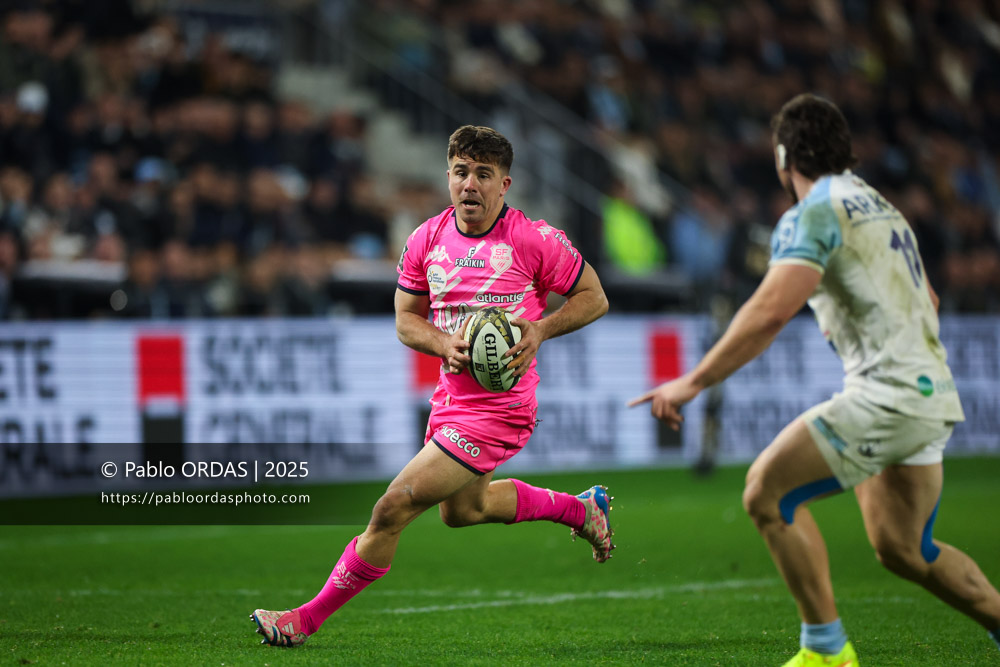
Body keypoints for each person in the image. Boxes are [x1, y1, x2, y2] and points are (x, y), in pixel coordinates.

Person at [629, 94, 1000, 666]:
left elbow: (770, 312)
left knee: (766, 493)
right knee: (906, 549)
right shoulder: (882, 206)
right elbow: (929, 296)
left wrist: (692, 382)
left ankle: (826, 652)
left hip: (889, 394)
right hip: (930, 391)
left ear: (784, 158)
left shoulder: (812, 214)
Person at [251, 125, 613, 647]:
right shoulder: (426, 238)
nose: (470, 185)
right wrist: (443, 344)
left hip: (500, 409)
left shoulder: (533, 239)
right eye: (462, 172)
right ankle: (581, 510)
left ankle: (302, 621)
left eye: (483, 175)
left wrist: (540, 329)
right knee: (465, 512)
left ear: (504, 185)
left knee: (391, 507)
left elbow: (594, 296)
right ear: (448, 175)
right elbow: (405, 319)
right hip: (450, 403)